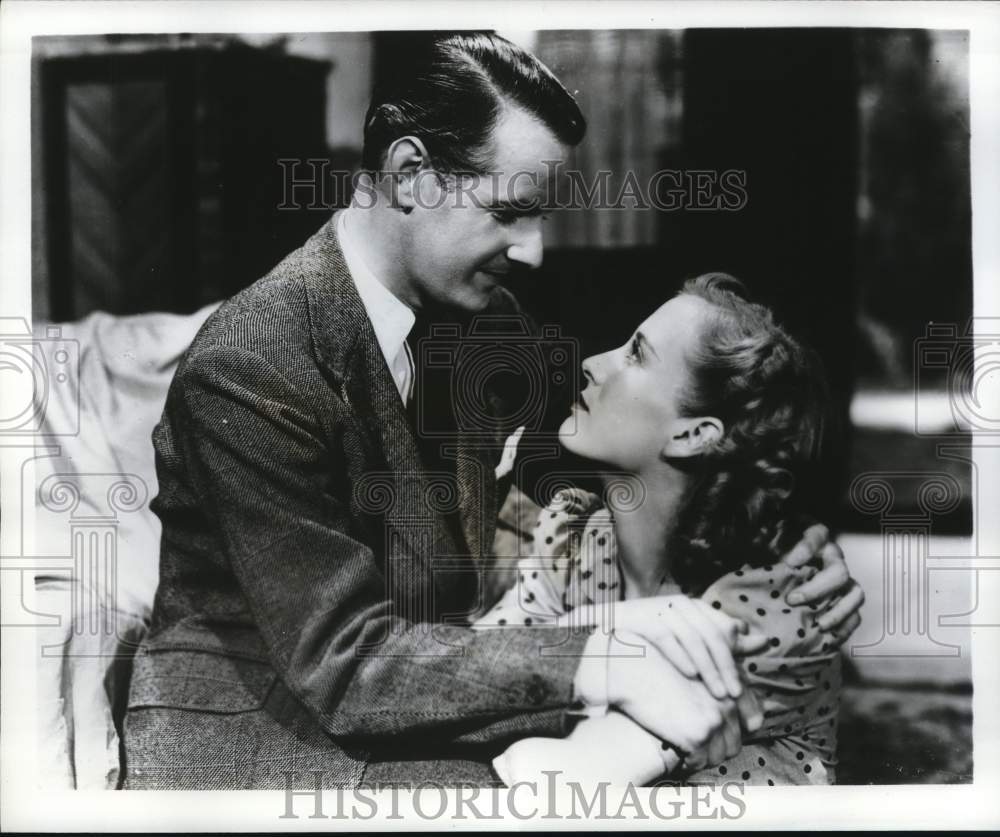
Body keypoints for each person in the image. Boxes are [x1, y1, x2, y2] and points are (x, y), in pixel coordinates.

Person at [123, 33, 863, 789]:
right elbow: (344, 662)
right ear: (411, 173)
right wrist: (603, 648)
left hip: (435, 679)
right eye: (510, 211)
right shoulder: (250, 366)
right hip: (260, 725)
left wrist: (784, 550)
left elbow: (582, 494)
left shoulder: (487, 320)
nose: (534, 251)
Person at [483, 274, 845, 786]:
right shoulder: (573, 538)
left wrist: (575, 641)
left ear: (693, 434)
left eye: (636, 354)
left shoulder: (766, 613)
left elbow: (555, 782)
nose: (592, 363)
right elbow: (457, 683)